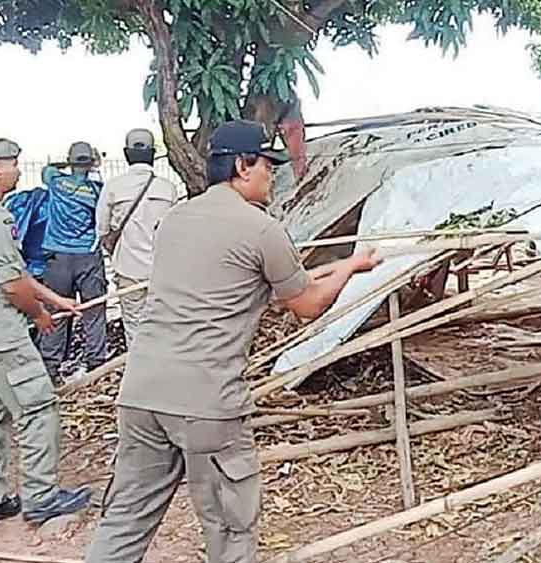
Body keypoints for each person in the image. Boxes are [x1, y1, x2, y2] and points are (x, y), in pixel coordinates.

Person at [85, 120, 381, 563]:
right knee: (229, 526)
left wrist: (315, 276)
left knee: (126, 518)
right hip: (206, 401)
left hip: (142, 392)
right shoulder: (260, 229)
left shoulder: (175, 219)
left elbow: (231, 286)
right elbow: (307, 304)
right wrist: (352, 266)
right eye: (267, 166)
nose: (272, 176)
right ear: (242, 166)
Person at [0, 138, 92, 530]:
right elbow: (12, 286)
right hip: (1, 338)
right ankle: (41, 497)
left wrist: (57, 300)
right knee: (38, 409)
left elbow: (17, 274)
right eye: (14, 164)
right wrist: (40, 314)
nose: (18, 171)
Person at [95, 129, 178, 346]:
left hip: (127, 269)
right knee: (162, 324)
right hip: (161, 271)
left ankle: (138, 363)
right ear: (153, 153)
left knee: (133, 325)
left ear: (126, 153)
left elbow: (102, 230)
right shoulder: (167, 189)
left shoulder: (113, 187)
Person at [39, 142, 107, 381]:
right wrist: (93, 165)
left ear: (70, 161)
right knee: (94, 310)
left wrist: (68, 163)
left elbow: (47, 168)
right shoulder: (98, 190)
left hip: (57, 257)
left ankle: (51, 367)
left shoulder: (55, 182)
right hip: (88, 256)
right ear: (91, 162)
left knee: (56, 311)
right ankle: (96, 365)